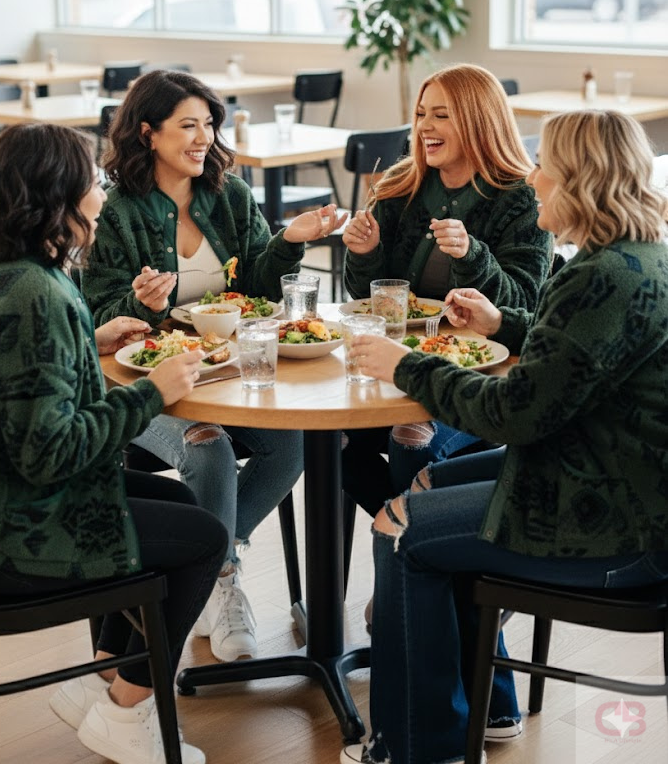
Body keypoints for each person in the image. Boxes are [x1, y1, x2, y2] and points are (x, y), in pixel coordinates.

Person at [341, 108, 668, 764]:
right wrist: (503, 323)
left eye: (543, 164)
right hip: (610, 479)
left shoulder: (597, 276)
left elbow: (514, 413)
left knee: (399, 526)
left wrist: (405, 364)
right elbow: (573, 361)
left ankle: (417, 746)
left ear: (578, 178)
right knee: (430, 480)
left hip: (612, 523)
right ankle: (485, 707)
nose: (534, 178)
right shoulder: (635, 260)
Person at [0, 123, 228, 764]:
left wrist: (89, 342)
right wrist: (155, 392)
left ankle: (105, 680)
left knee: (182, 510)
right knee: (205, 540)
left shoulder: (10, 273)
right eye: (91, 179)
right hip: (16, 528)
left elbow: (21, 387)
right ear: (59, 196)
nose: (101, 188)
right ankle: (126, 710)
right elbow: (50, 452)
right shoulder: (37, 295)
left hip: (5, 497)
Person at [83, 69, 346, 662]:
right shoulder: (118, 209)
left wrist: (290, 240)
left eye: (208, 124)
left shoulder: (227, 193)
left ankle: (214, 563)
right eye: (187, 126)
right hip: (143, 383)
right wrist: (138, 304)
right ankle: (221, 582)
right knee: (208, 445)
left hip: (224, 369)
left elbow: (254, 287)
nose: (203, 138)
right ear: (148, 133)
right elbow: (95, 317)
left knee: (294, 441)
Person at [340, 63, 553, 518]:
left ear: (479, 120)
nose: (425, 128)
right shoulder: (400, 185)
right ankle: (405, 545)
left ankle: (406, 559)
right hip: (395, 363)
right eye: (421, 115)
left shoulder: (521, 200)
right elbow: (366, 301)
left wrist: (472, 256)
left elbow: (522, 307)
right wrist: (366, 252)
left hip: (481, 375)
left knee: (410, 433)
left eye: (442, 115)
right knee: (323, 439)